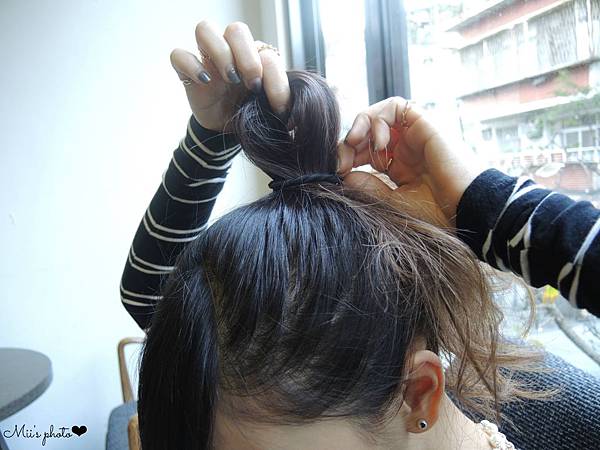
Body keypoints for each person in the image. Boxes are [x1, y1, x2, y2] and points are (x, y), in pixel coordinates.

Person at [119, 20, 598, 450]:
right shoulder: (345, 388)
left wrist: (487, 204)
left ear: (419, 396)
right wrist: (213, 137)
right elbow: (154, 299)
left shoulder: (565, 414)